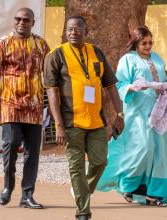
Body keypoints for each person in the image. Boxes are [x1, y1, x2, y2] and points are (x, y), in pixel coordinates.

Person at [43, 15, 124, 220]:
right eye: (69, 29)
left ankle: (82, 188)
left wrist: (120, 114)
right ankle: (83, 211)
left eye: (78, 29)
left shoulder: (95, 52)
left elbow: (110, 85)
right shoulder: (56, 55)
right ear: (65, 32)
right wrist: (59, 125)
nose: (73, 32)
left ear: (85, 31)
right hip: (71, 122)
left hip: (96, 120)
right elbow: (52, 93)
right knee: (76, 166)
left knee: (100, 161)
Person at [96, 26, 167, 206]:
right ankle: (128, 184)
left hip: (158, 112)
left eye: (150, 43)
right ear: (135, 43)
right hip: (138, 113)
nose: (148, 46)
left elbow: (162, 79)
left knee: (159, 153)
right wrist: (132, 87)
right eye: (144, 43)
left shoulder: (157, 58)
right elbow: (119, 85)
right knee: (142, 150)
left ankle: (154, 193)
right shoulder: (128, 59)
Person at [0, 8, 49, 209]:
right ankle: (7, 186)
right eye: (18, 19)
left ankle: (27, 195)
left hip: (35, 106)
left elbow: (49, 74)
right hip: (9, 104)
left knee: (32, 153)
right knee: (11, 145)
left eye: (26, 20)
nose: (21, 22)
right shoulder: (2, 44)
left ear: (33, 22)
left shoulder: (41, 45)